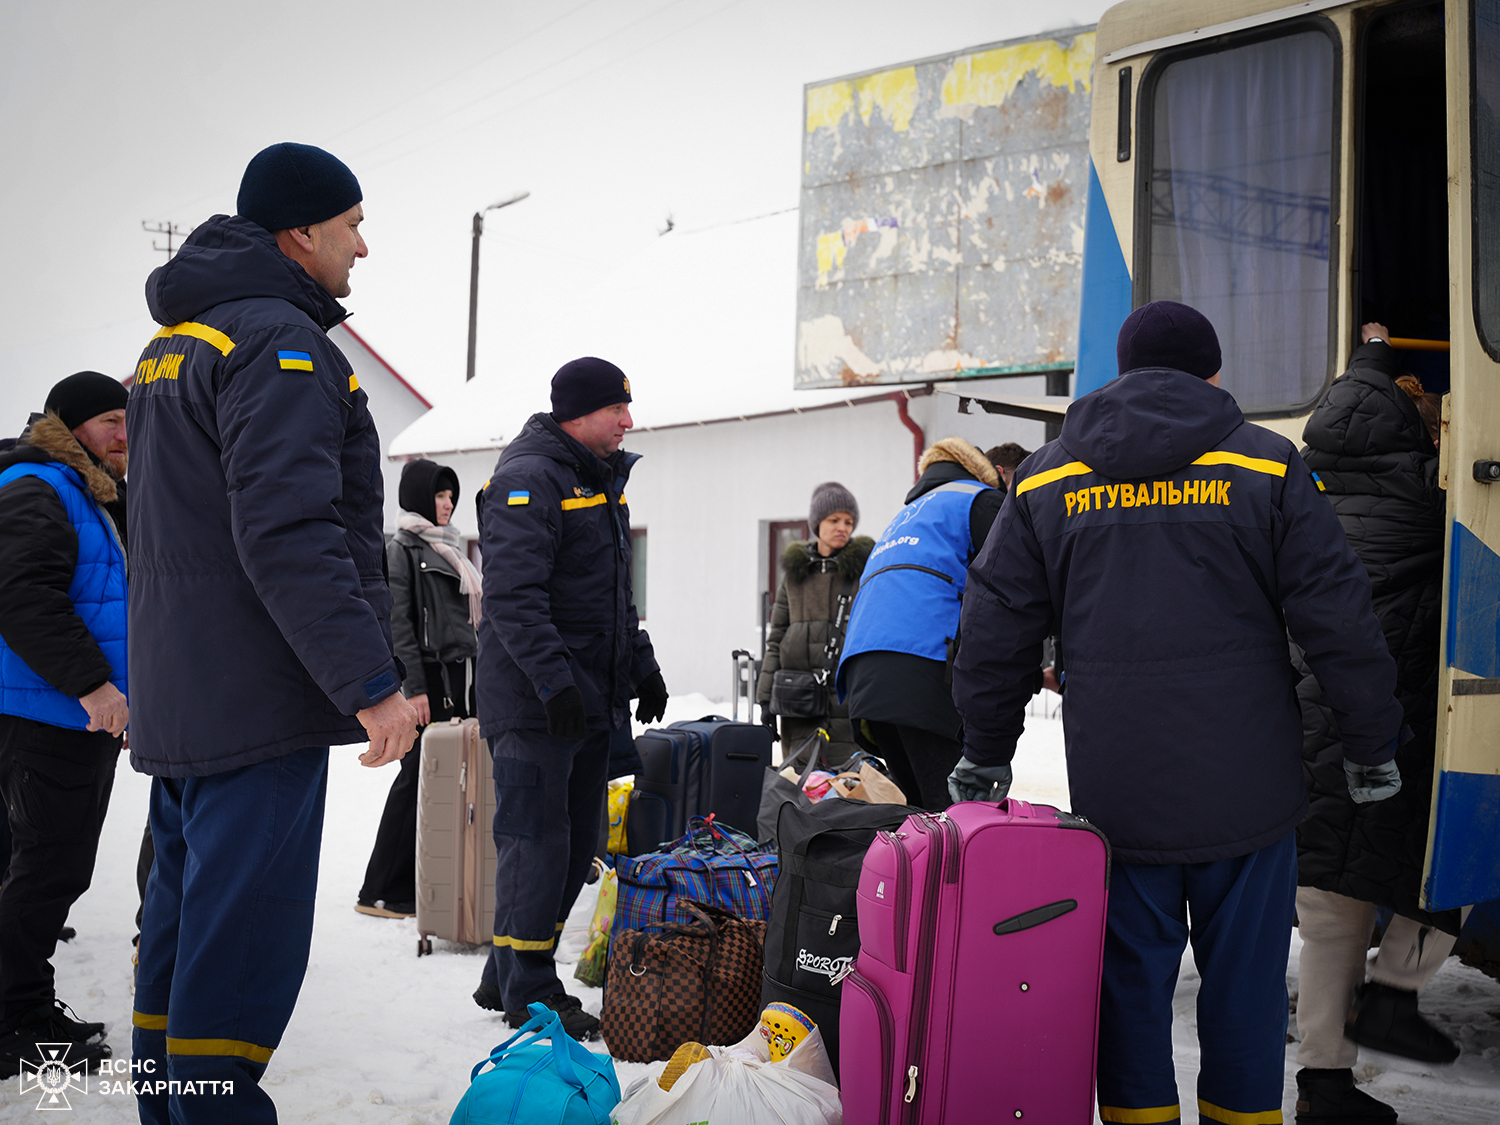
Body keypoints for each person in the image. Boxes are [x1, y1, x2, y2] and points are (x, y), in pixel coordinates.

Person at [951, 301, 1405, 1125]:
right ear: (1214, 373)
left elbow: (993, 626)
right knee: (1245, 994)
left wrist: (985, 748)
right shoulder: (1269, 468)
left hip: (1119, 799)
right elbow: (1338, 616)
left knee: (1128, 989)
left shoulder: (1049, 479)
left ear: (1122, 373)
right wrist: (1370, 743)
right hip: (1251, 797)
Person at [127, 142, 418, 1124]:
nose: (362, 247)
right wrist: (370, 683)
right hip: (257, 701)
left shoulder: (178, 342)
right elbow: (289, 533)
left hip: (187, 697)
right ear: (301, 233)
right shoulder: (280, 345)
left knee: (179, 938)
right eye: (351, 226)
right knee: (239, 953)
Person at [1292, 323, 1463, 1122]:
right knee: (1454, 865)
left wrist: (1369, 354)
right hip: (1391, 725)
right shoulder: (1432, 495)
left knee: (1329, 905)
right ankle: (1394, 991)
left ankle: (1323, 1083)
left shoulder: (1298, 489)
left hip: (1305, 722)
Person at [471, 357, 666, 1040]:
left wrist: (641, 667)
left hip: (585, 697)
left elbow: (612, 596)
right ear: (580, 412)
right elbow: (514, 600)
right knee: (537, 842)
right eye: (618, 408)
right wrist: (554, 684)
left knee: (579, 838)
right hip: (536, 700)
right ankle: (529, 989)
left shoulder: (597, 481)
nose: (628, 421)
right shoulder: (528, 478)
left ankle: (511, 969)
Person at [0, 372, 130, 1076]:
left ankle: (19, 1005)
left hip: (56, 711)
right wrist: (95, 686)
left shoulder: (81, 490)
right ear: (71, 424)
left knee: (34, 868)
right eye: (111, 420)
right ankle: (17, 1020)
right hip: (49, 714)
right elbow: (20, 594)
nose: (123, 435)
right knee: (49, 869)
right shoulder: (39, 486)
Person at [835, 439, 1003, 809]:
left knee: (921, 812)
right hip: (922, 670)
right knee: (955, 815)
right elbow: (1011, 588)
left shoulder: (909, 514)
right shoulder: (980, 500)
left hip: (865, 674)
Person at [356, 458, 481, 919]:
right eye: (438, 495)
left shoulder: (450, 548)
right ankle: (379, 890)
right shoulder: (403, 549)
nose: (446, 504)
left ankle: (417, 882)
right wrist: (414, 687)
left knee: (440, 782)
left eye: (450, 496)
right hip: (428, 681)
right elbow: (398, 623)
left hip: (457, 678)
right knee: (414, 781)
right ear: (417, 497)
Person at [756, 482, 872, 766]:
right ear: (817, 523)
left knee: (848, 786)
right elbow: (777, 636)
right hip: (799, 701)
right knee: (801, 785)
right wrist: (766, 697)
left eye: (848, 521)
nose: (842, 527)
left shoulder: (865, 572)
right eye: (834, 520)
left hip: (847, 697)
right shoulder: (794, 576)